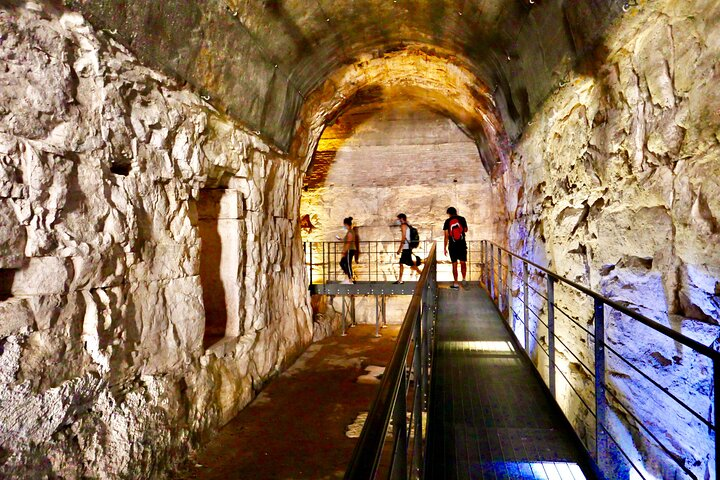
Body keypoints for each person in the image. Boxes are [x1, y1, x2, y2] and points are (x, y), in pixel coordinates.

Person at [443, 206, 468, 289]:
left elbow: (446, 236)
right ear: (456, 212)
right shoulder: (462, 219)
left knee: (454, 264)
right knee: (463, 262)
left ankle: (456, 282)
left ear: (449, 214)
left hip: (452, 246)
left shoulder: (447, 221)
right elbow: (465, 230)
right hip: (462, 244)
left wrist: (444, 248)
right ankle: (464, 279)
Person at [395, 213, 422, 284]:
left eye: (398, 219)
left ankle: (422, 275)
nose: (397, 220)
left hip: (406, 247)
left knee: (407, 263)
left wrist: (399, 249)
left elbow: (403, 238)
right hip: (408, 247)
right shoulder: (408, 225)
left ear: (401, 219)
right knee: (405, 263)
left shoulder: (403, 226)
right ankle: (400, 279)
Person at [339, 217, 356, 284]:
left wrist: (344, 251)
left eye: (344, 225)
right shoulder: (349, 232)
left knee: (348, 264)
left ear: (346, 224)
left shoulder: (350, 232)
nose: (344, 226)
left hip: (350, 249)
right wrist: (341, 239)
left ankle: (350, 279)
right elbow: (346, 240)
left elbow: (348, 243)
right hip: (349, 249)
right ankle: (347, 277)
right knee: (342, 263)